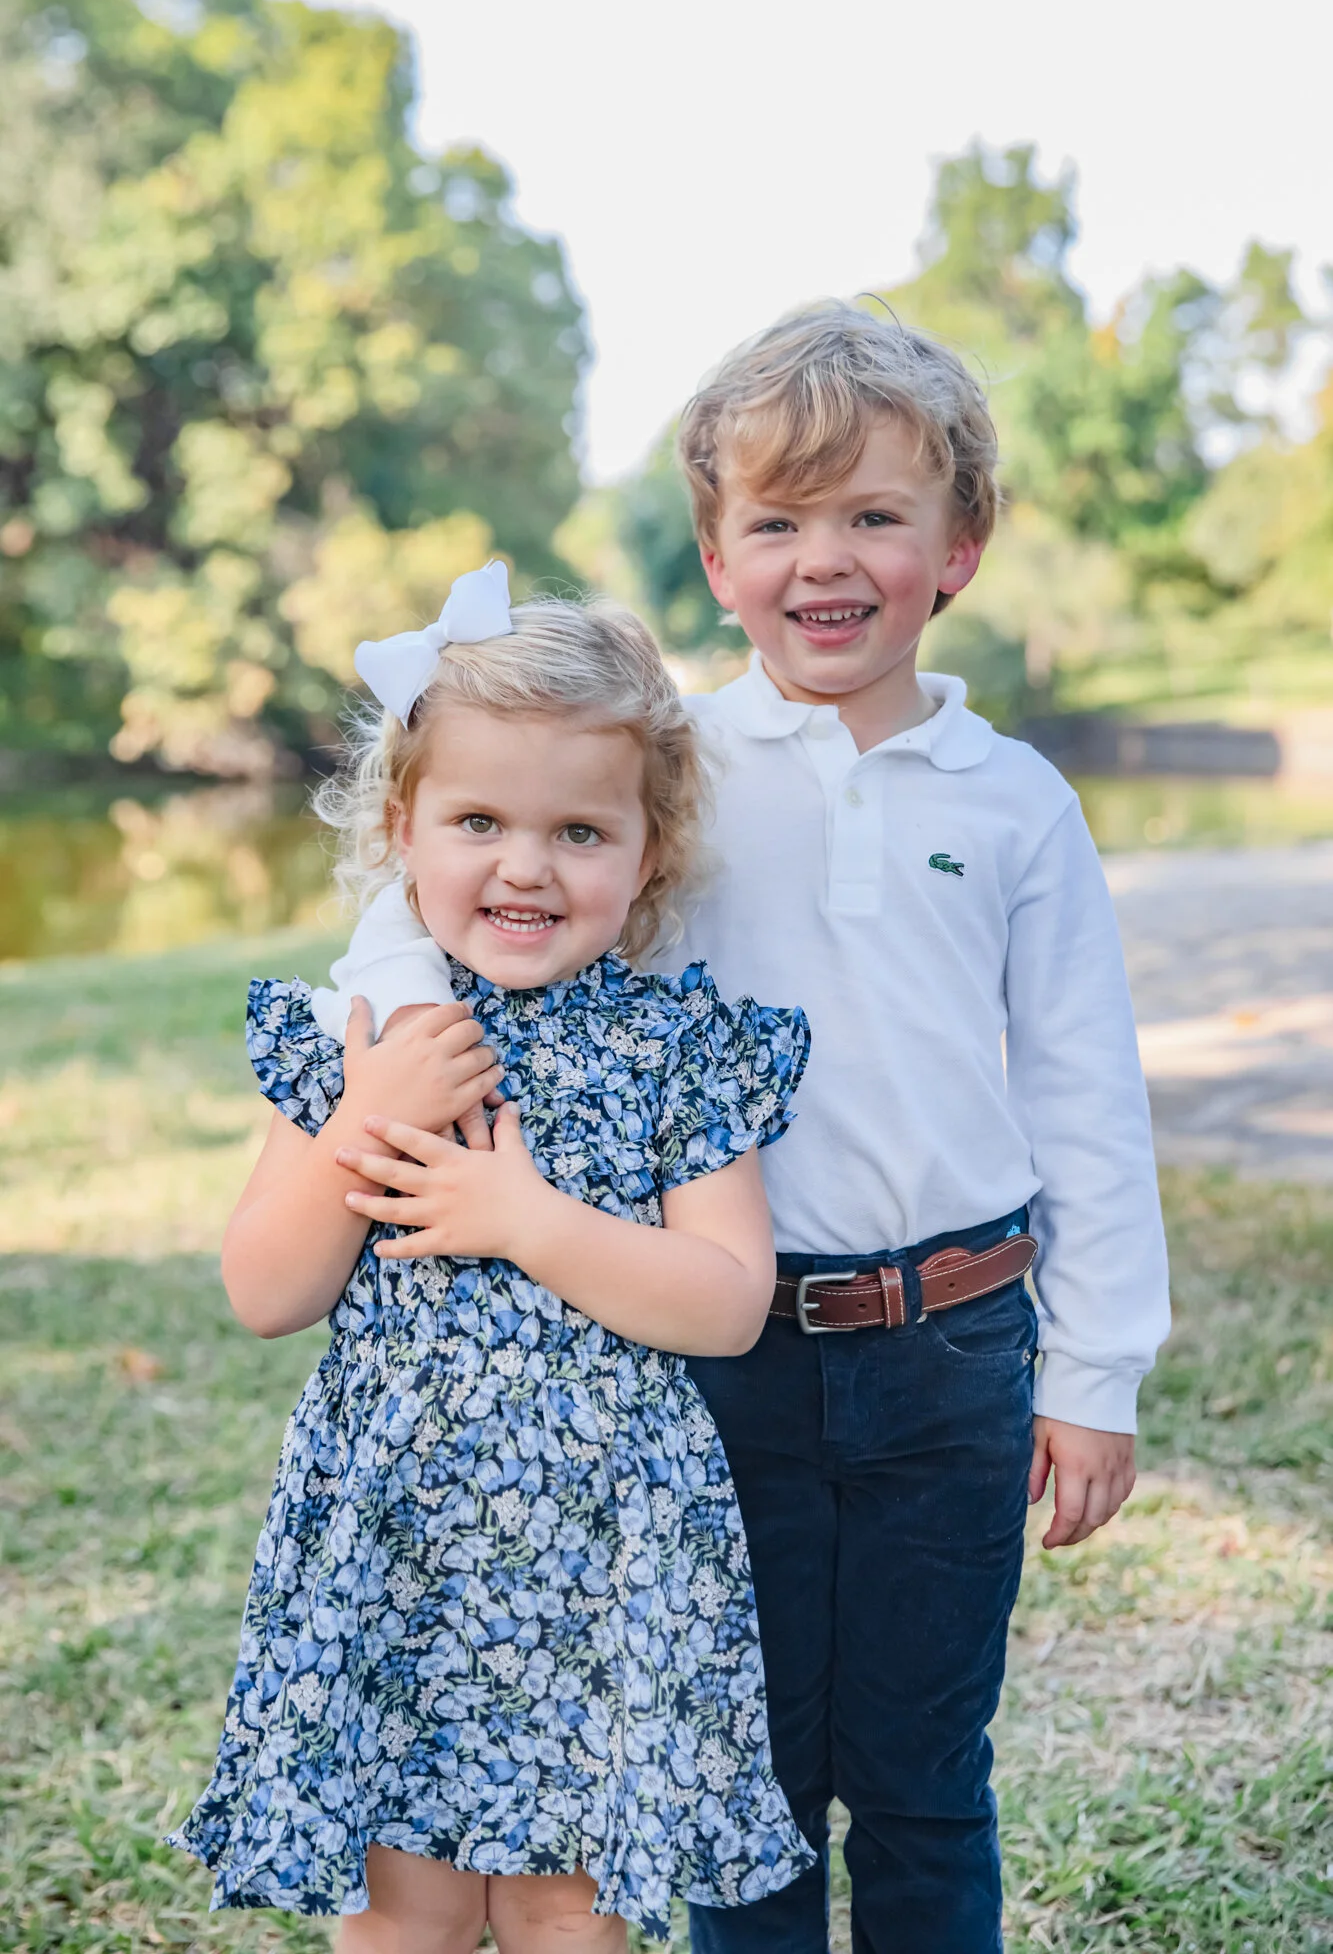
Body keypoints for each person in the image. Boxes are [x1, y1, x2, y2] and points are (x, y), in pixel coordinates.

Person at [316, 304, 1172, 1953]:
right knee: (736, 1780)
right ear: (717, 561)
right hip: (719, 1354)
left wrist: (1094, 1372)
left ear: (959, 547)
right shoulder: (673, 771)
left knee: (928, 1774)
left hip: (955, 1346)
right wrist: (389, 1027)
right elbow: (459, 887)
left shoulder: (1016, 805)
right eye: (775, 522)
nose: (822, 559)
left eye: (873, 515)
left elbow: (1083, 1088)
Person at [167, 563, 818, 1953]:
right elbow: (265, 1291)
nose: (526, 865)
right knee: (403, 1921)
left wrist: (527, 1219)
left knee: (567, 1924)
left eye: (580, 830)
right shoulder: (362, 1037)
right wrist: (368, 1118)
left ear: (649, 852)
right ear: (403, 828)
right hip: (401, 1542)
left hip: (599, 1556)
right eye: (478, 821)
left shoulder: (676, 1048)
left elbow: (726, 1301)